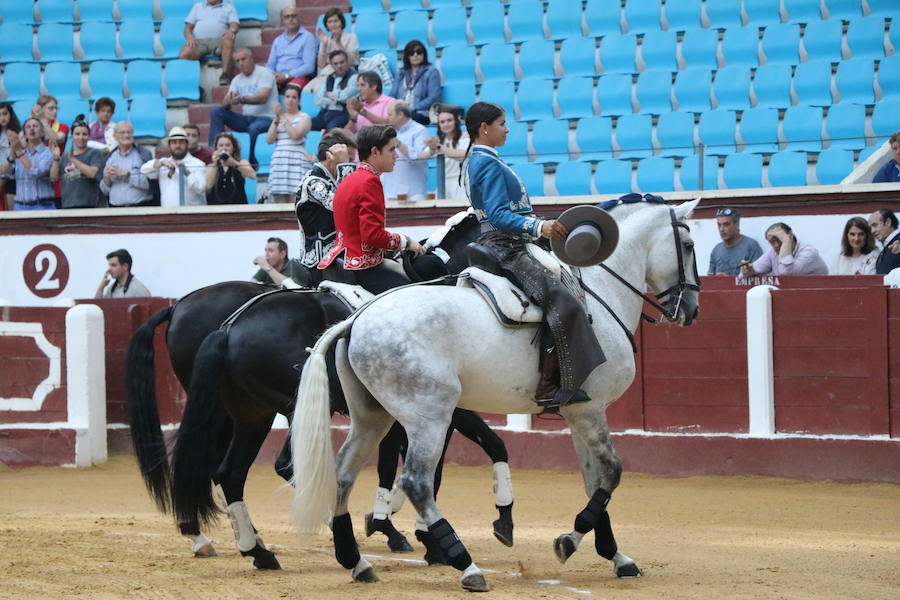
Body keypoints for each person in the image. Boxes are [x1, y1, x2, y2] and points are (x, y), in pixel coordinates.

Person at [463, 102, 605, 408]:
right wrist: (538, 226)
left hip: (506, 240)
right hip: (505, 246)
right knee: (563, 302)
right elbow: (500, 216)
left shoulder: (482, 159)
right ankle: (546, 386)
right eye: (502, 123)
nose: (507, 128)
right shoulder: (486, 162)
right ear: (484, 128)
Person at [317, 124, 426, 293]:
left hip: (339, 259)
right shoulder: (370, 181)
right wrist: (406, 241)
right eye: (392, 150)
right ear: (375, 152)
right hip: (362, 266)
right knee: (414, 296)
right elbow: (372, 235)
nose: (396, 156)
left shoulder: (351, 177)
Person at [295, 128, 357, 274]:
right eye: (349, 159)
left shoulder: (332, 180)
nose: (352, 163)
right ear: (331, 156)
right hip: (320, 263)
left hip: (340, 257)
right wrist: (345, 166)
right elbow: (344, 206)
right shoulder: (312, 182)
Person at [208, 47, 278, 168]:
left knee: (253, 128)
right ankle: (217, 152)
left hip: (267, 118)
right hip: (246, 118)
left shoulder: (264, 73)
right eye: (238, 61)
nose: (241, 63)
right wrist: (229, 100)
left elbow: (263, 97)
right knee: (217, 111)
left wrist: (241, 99)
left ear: (251, 59)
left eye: (243, 59)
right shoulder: (237, 79)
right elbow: (225, 104)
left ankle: (252, 162)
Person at [265, 85, 312, 203]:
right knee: (278, 200)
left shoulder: (304, 117)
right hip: (279, 160)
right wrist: (276, 120)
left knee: (295, 199)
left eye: (294, 97)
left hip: (296, 160)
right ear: (283, 99)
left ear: (299, 100)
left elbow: (295, 135)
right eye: (287, 97)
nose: (290, 100)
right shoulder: (278, 118)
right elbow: (269, 140)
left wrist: (282, 118)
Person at [0, 118, 59, 211]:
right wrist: (12, 155)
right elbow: (3, 174)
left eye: (35, 126)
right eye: (28, 127)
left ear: (43, 133)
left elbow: (36, 172)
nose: (32, 129)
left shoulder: (48, 153)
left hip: (43, 206)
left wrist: (18, 151)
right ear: (24, 134)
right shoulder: (20, 154)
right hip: (20, 207)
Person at [140, 127, 207, 207]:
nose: (178, 146)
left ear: (187, 144)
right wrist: (160, 163)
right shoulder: (164, 163)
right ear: (169, 145)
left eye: (181, 142)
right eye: (174, 142)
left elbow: (201, 189)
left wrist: (186, 172)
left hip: (192, 214)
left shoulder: (198, 164)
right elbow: (143, 170)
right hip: (168, 214)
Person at [181, 0, 239, 86]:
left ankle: (225, 75)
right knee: (184, 53)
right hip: (199, 42)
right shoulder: (198, 6)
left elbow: (234, 25)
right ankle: (193, 85)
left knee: (228, 41)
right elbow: (187, 27)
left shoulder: (229, 7)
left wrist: (231, 31)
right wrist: (190, 37)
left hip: (219, 42)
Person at [382, 101, 431, 202]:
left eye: (390, 114)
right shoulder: (387, 131)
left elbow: (419, 157)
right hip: (390, 190)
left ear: (400, 115)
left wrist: (397, 142)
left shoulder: (420, 131)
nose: (387, 118)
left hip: (413, 191)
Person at [739, 222, 829, 276]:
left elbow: (786, 273)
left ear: (790, 235)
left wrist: (786, 241)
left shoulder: (809, 252)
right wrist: (748, 271)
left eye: (779, 239)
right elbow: (744, 274)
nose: (777, 245)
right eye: (772, 242)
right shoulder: (772, 252)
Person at [100, 122, 153, 207]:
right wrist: (106, 180)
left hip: (140, 209)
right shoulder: (109, 158)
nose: (126, 135)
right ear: (114, 136)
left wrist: (127, 175)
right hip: (115, 211)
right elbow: (105, 192)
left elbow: (150, 184)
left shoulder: (143, 154)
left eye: (129, 132)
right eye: (122, 132)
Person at [266, 6, 318, 92]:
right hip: (278, 78)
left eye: (294, 16)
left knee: (291, 90)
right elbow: (270, 65)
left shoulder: (308, 38)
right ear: (282, 20)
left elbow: (309, 67)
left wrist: (287, 76)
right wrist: (273, 75)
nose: (290, 19)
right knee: (262, 87)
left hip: (299, 77)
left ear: (299, 17)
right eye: (287, 17)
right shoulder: (278, 40)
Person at [389, 40, 442, 126]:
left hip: (422, 112)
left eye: (419, 52)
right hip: (401, 112)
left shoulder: (432, 72)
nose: (416, 55)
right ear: (407, 56)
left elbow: (434, 97)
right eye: (412, 53)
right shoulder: (401, 73)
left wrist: (413, 108)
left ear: (424, 54)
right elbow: (392, 96)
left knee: (408, 118)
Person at [59, 119, 105, 209]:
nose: (81, 137)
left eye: (84, 134)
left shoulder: (94, 153)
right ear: (72, 136)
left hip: (89, 205)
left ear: (89, 136)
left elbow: (92, 173)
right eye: (77, 134)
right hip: (67, 204)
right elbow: (55, 177)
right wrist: (56, 158)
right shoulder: (65, 156)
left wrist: (73, 159)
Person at [426, 105, 468, 199]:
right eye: (442, 122)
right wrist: (432, 148)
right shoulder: (438, 140)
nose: (446, 124)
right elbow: (423, 156)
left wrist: (439, 147)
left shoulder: (466, 137)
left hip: (461, 184)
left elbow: (462, 155)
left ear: (456, 121)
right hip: (443, 184)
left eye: (449, 120)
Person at [33, 94, 68, 207]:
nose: (55, 111)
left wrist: (43, 121)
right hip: (36, 174)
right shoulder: (32, 126)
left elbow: (57, 139)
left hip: (55, 175)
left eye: (56, 108)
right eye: (51, 108)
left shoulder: (62, 127)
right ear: (41, 109)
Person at [310, 49, 357, 132]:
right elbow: (318, 99)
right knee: (305, 124)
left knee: (332, 129)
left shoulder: (354, 77)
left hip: (342, 114)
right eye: (336, 63)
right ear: (331, 66)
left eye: (342, 62)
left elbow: (345, 97)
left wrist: (328, 94)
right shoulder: (329, 78)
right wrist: (332, 100)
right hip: (325, 113)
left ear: (347, 62)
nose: (339, 66)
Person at [707, 207, 764, 275]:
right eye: (719, 225)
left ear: (737, 224)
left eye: (726, 224)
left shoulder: (751, 246)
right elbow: (710, 278)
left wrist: (730, 280)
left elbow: (760, 276)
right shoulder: (716, 250)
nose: (721, 229)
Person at [205, 132, 255, 205]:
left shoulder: (241, 162)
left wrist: (234, 163)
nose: (224, 148)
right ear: (216, 148)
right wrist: (215, 164)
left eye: (227, 145)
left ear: (233, 148)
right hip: (216, 207)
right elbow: (208, 186)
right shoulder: (211, 166)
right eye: (221, 145)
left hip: (238, 206)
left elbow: (252, 175)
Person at [0, 101, 22, 210]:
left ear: (10, 115)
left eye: (5, 114)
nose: (2, 118)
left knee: (11, 211)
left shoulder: (18, 133)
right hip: (1, 173)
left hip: (13, 175)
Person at [868, 209, 900, 275]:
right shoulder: (884, 250)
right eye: (870, 228)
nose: (872, 231)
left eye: (875, 225)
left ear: (888, 222)